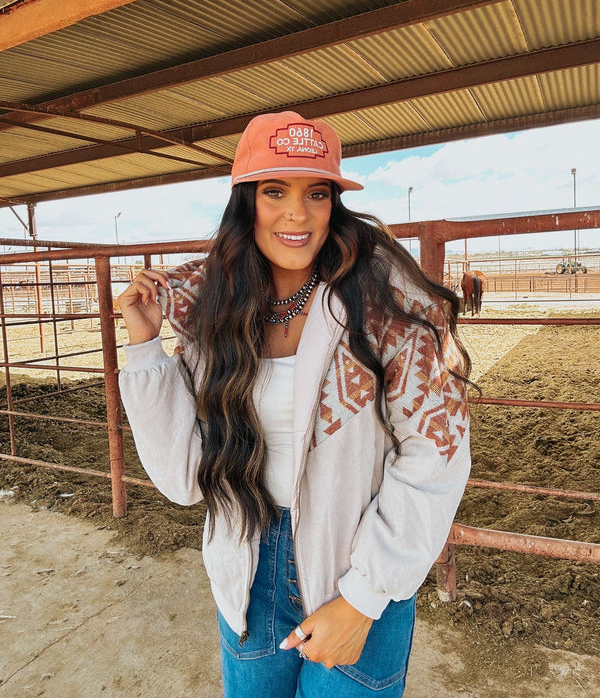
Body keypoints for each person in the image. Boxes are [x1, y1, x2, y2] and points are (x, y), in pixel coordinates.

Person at [117, 111, 471, 697]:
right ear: (247, 203)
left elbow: (437, 454)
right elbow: (182, 479)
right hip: (247, 570)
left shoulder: (385, 303)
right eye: (275, 191)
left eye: (317, 193)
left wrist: (362, 599)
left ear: (334, 204)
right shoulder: (216, 313)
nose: (298, 214)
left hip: (354, 569)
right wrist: (145, 347)